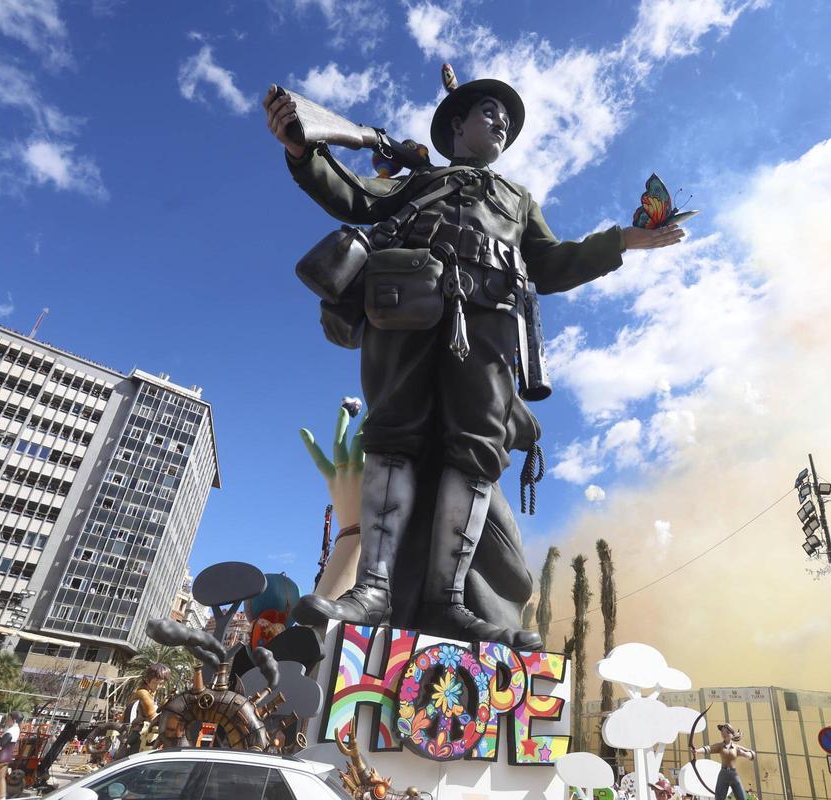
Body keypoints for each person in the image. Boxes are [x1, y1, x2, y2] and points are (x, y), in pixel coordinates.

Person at [267, 68, 684, 647]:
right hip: (407, 308)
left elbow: (553, 263)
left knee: (476, 449)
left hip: (488, 326)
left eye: (508, 122)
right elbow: (356, 195)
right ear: (456, 124)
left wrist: (622, 241)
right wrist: (301, 150)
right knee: (394, 434)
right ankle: (374, 588)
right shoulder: (419, 181)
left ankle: (448, 599)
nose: (502, 123)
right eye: (490, 112)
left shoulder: (517, 200)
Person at [692, 722, 756, 800]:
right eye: (722, 732)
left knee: (742, 797)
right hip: (723, 774)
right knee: (719, 798)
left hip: (734, 775)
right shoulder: (720, 746)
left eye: (726, 732)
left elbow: (752, 754)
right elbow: (709, 748)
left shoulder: (736, 747)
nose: (723, 734)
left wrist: (744, 754)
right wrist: (697, 751)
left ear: (731, 734)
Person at [117, 663, 169, 757]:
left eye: (160, 684)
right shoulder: (143, 694)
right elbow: (152, 717)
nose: (157, 686)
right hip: (138, 736)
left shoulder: (148, 693)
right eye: (154, 682)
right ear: (147, 680)